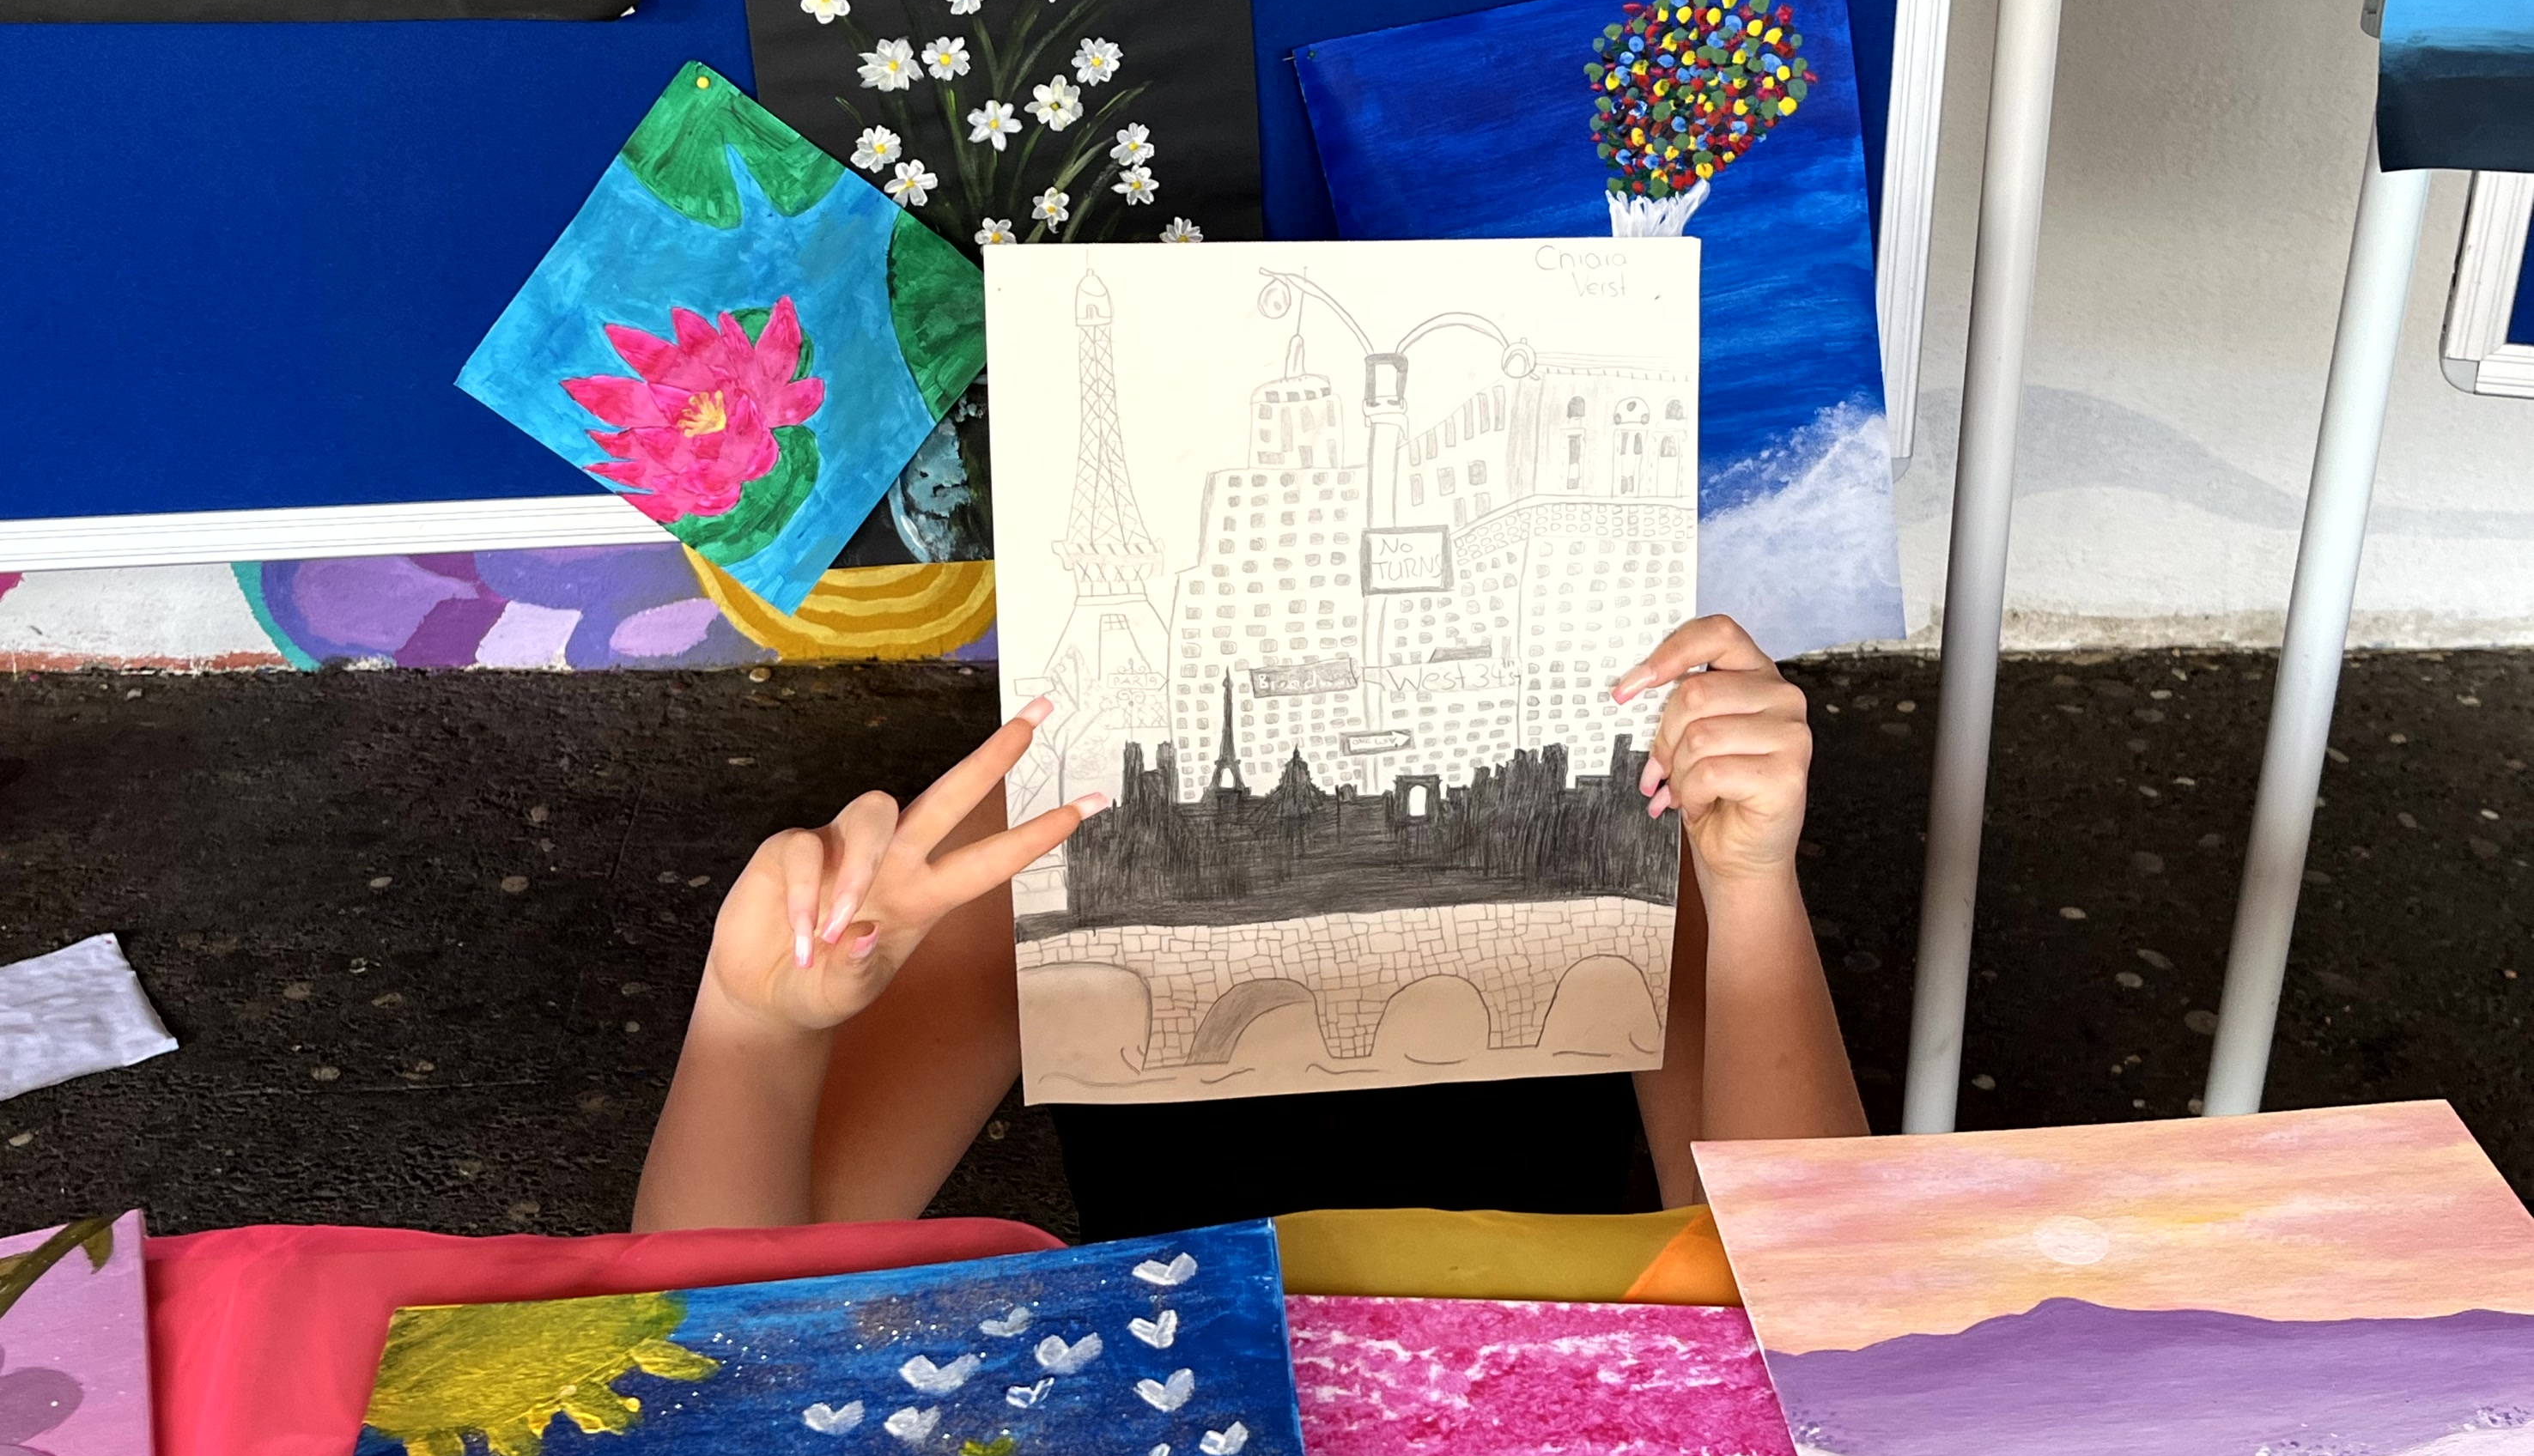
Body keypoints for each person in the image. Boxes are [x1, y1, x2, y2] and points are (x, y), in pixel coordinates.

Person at [634, 614, 1866, 1237]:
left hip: (1539, 1408)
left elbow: (1801, 1285)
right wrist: (752, 1024)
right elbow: (734, 1333)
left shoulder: (1623, 804)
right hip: (1195, 1418)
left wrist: (1752, 881)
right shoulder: (1057, 824)